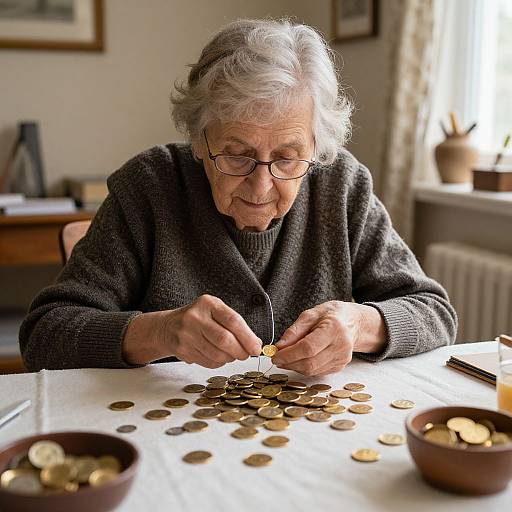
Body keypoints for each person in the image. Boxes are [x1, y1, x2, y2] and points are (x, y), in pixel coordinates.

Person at [19, 19, 457, 375]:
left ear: (317, 147)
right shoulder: (148, 187)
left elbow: (434, 312)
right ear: (197, 139)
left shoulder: (341, 185)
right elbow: (44, 335)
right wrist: (159, 333)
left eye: (287, 158)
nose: (261, 186)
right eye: (236, 155)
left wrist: (362, 324)